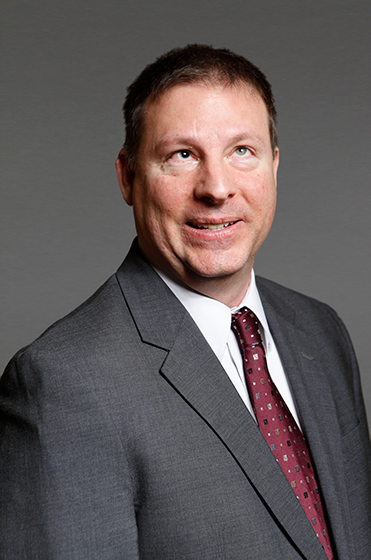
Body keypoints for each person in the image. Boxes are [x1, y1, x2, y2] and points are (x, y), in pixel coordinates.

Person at [0, 44, 370, 560]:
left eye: (242, 151)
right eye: (182, 155)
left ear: (274, 165)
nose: (217, 189)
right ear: (128, 177)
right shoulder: (62, 383)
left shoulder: (322, 332)